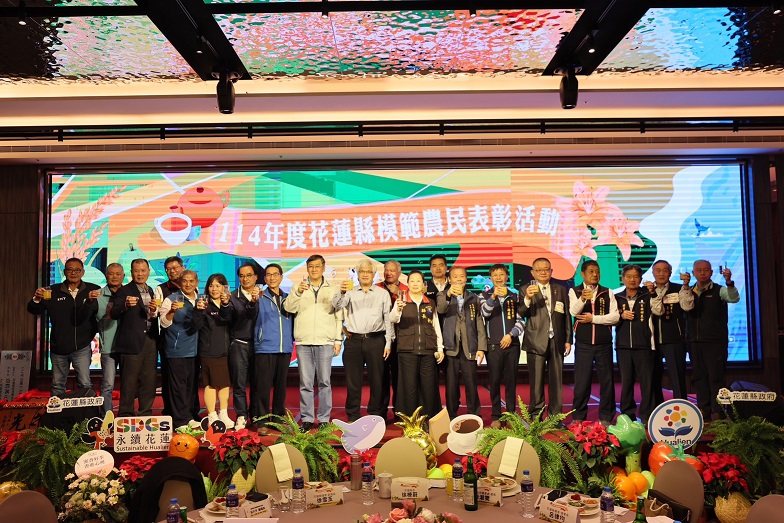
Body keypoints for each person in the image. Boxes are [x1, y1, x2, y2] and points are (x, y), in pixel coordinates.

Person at [283, 254, 343, 432]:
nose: (314, 269)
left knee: (325, 382)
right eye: (311, 266)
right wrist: (298, 293)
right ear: (307, 269)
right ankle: (307, 419)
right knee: (306, 383)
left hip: (325, 341)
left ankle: (324, 419)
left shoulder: (333, 289)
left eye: (317, 266)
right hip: (304, 341)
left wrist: (338, 339)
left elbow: (339, 315)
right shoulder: (298, 287)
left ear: (323, 268)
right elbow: (288, 308)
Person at [27, 257, 99, 398]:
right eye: (70, 270)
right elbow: (34, 310)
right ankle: (57, 412)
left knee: (85, 384)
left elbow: (102, 312)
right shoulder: (52, 291)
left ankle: (86, 412)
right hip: (58, 347)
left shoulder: (92, 289)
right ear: (64, 272)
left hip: (82, 346)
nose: (73, 273)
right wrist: (36, 298)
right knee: (57, 385)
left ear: (83, 272)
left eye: (77, 270)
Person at [333, 260, 393, 422]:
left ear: (374, 274)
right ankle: (353, 415)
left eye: (368, 271)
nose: (365, 274)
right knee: (353, 381)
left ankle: (376, 415)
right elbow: (336, 306)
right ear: (357, 274)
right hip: (354, 341)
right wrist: (341, 292)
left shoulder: (382, 293)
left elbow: (388, 320)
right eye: (362, 271)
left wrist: (388, 343)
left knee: (377, 380)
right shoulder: (350, 292)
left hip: (376, 340)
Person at [519, 258, 572, 420]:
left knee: (557, 381)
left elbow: (566, 315)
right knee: (536, 382)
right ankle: (536, 416)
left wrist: (568, 339)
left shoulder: (560, 289)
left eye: (546, 269)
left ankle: (555, 417)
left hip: (557, 340)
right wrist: (528, 299)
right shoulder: (525, 289)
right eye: (539, 270)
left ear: (551, 271)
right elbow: (521, 313)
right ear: (532, 273)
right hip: (535, 340)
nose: (543, 272)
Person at [686, 259, 740, 420]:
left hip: (715, 342)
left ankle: (718, 410)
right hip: (694, 341)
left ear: (711, 272)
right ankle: (704, 408)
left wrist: (729, 282)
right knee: (699, 377)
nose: (702, 273)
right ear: (693, 273)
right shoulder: (688, 292)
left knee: (716, 377)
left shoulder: (720, 290)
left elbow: (734, 298)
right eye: (699, 270)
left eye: (706, 270)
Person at [569, 260, 619, 425]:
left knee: (607, 381)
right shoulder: (574, 291)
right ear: (582, 274)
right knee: (582, 382)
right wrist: (583, 299)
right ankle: (578, 417)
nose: (595, 274)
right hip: (583, 344)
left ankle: (606, 417)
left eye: (597, 271)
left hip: (604, 344)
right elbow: (573, 312)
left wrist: (594, 319)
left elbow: (615, 317)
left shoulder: (607, 292)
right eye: (591, 271)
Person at [389, 271, 444, 418]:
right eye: (412, 281)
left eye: (418, 281)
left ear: (423, 284)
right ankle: (410, 420)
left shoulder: (430, 302)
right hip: (407, 350)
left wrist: (440, 348)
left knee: (428, 387)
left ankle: (428, 419)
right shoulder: (401, 301)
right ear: (407, 284)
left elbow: (436, 325)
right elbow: (392, 319)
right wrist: (398, 308)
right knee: (409, 387)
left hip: (428, 350)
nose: (415, 284)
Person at [111, 258, 160, 417]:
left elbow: (152, 315)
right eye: (136, 271)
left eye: (143, 270)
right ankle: (126, 415)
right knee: (129, 382)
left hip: (151, 340)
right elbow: (114, 312)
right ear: (131, 273)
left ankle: (146, 413)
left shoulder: (151, 290)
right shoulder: (124, 291)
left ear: (148, 272)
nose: (140, 274)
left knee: (149, 380)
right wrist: (125, 305)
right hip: (131, 342)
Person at [437, 265, 487, 419]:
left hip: (469, 346)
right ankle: (452, 414)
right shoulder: (442, 295)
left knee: (471, 383)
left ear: (466, 279)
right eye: (455, 276)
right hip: (450, 347)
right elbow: (441, 309)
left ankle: (474, 414)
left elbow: (479, 323)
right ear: (449, 279)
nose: (459, 279)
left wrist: (481, 347)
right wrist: (448, 294)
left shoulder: (473, 298)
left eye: (462, 276)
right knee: (451, 385)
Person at [480, 264, 524, 427]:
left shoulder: (515, 296)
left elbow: (521, 320)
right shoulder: (484, 296)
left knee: (511, 381)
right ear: (491, 278)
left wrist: (510, 335)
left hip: (512, 344)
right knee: (495, 381)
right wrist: (493, 297)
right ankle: (496, 416)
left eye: (502, 274)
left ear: (507, 277)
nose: (498, 278)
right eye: (495, 275)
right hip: (493, 345)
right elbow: (484, 313)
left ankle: (511, 415)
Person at [252, 263, 294, 436]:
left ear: (281, 277)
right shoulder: (260, 297)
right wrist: (253, 300)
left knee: (280, 387)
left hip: (284, 348)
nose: (272, 277)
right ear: (265, 278)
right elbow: (250, 314)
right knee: (263, 387)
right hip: (265, 347)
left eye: (275, 274)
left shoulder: (288, 299)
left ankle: (278, 420)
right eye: (268, 274)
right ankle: (262, 420)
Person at [159, 270, 201, 430]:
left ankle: (189, 416)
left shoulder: (200, 299)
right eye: (185, 281)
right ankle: (180, 421)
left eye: (191, 281)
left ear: (196, 283)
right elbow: (163, 323)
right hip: (177, 350)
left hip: (195, 351)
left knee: (190, 387)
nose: (188, 284)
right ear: (180, 283)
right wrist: (172, 311)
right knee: (178, 387)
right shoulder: (171, 299)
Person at [646, 260, 693, 401]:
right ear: (653, 272)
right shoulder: (646, 291)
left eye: (665, 270)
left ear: (670, 273)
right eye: (658, 270)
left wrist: (686, 286)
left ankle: (681, 406)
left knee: (677, 376)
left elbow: (687, 307)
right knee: (653, 377)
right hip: (652, 342)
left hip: (674, 340)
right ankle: (657, 409)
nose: (661, 273)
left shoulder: (679, 289)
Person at [615, 265, 656, 423]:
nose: (632, 280)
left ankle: (647, 415)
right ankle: (627, 415)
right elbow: (609, 318)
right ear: (623, 278)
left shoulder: (648, 295)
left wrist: (653, 293)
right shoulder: (616, 298)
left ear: (641, 279)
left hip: (644, 345)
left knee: (647, 383)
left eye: (636, 276)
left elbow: (658, 311)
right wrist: (620, 315)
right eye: (629, 276)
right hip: (623, 347)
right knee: (626, 382)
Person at [223, 262, 261, 430]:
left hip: (260, 345)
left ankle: (256, 415)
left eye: (249, 275)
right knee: (239, 384)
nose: (245, 279)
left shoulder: (263, 294)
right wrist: (225, 305)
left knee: (257, 383)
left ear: (256, 277)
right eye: (242, 276)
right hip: (239, 344)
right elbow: (226, 318)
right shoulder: (232, 296)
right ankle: (241, 415)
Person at [194, 273, 234, 430]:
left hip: (226, 351)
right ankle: (211, 415)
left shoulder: (229, 304)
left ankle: (223, 413)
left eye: (218, 285)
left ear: (224, 287)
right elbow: (196, 326)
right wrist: (198, 311)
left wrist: (225, 304)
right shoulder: (203, 305)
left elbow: (227, 319)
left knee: (225, 384)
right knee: (210, 384)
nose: (214, 289)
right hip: (208, 351)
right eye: (211, 285)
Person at [376, 259, 408, 418]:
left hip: (401, 338)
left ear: (399, 273)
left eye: (392, 270)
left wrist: (398, 293)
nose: (388, 273)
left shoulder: (406, 289)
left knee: (399, 376)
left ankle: (399, 410)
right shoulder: (376, 288)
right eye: (386, 270)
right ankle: (380, 411)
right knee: (381, 375)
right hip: (380, 337)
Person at [154, 255, 184, 417]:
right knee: (168, 378)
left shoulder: (191, 288)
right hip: (169, 340)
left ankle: (190, 411)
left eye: (175, 268)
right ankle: (170, 411)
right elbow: (157, 309)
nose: (172, 271)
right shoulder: (161, 289)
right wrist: (156, 308)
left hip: (189, 340)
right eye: (168, 269)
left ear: (182, 268)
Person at [95, 263, 125, 416]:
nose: (114, 277)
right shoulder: (98, 295)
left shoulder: (129, 294)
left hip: (127, 346)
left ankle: (126, 416)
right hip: (108, 347)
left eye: (118, 274)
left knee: (129, 384)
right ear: (106, 275)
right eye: (111, 273)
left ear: (123, 276)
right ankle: (106, 416)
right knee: (107, 385)